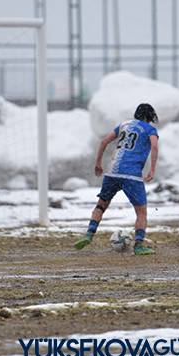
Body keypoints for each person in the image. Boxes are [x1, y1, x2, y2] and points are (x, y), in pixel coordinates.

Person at [74, 103, 159, 255]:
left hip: (112, 172)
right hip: (131, 175)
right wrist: (152, 169)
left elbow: (104, 142)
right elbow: (154, 146)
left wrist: (98, 163)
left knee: (101, 205)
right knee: (141, 212)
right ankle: (139, 245)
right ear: (150, 117)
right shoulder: (150, 129)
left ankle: (88, 234)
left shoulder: (124, 125)